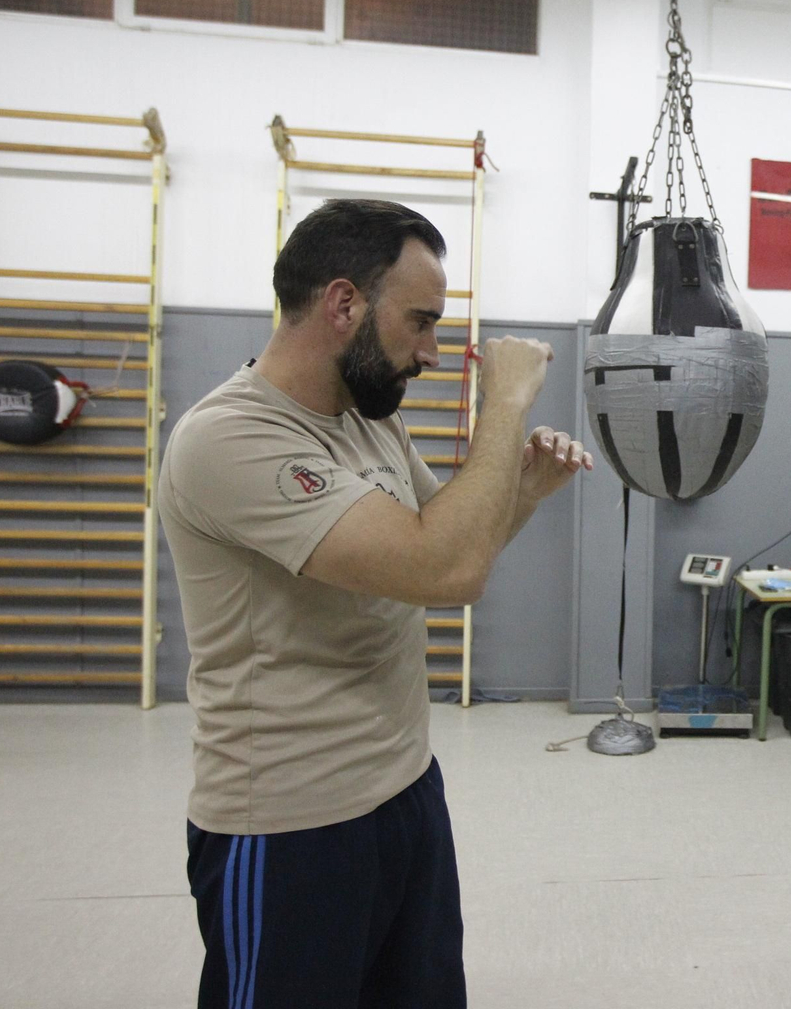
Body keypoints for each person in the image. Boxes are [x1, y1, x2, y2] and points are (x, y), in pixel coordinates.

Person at [157, 199, 592, 1008]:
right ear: (343, 303)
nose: (430, 350)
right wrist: (501, 404)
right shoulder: (231, 437)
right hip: (289, 823)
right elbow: (446, 568)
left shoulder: (367, 422)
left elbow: (443, 548)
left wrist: (523, 493)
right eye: (421, 321)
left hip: (403, 791)